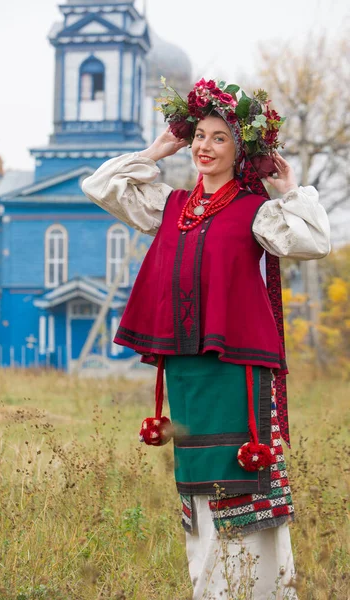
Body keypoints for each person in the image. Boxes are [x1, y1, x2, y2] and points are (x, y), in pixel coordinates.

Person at [81, 78, 330, 600]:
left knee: (243, 483)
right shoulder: (170, 207)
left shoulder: (256, 210)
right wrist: (156, 149)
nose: (204, 146)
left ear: (242, 152)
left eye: (219, 138)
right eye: (198, 135)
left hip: (237, 368)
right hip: (188, 369)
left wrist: (288, 190)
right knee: (198, 487)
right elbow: (101, 186)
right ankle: (211, 591)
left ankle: (259, 591)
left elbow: (314, 241)